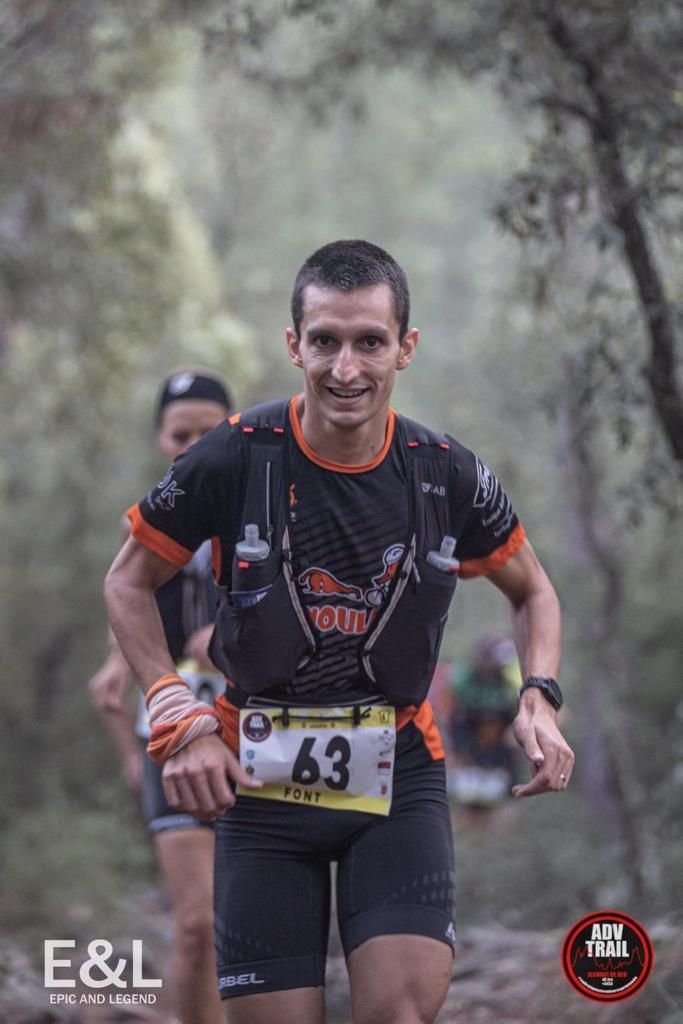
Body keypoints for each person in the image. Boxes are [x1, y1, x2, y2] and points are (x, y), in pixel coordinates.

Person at [104, 240, 574, 1024]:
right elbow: (127, 579)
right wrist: (173, 713)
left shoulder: (443, 472)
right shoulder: (233, 456)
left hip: (397, 774)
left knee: (396, 1014)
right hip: (256, 779)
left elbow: (533, 591)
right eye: (323, 341)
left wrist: (539, 693)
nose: (345, 369)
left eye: (369, 342)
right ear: (294, 345)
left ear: (405, 347)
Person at [90, 370, 232, 1024]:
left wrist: (234, 640)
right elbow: (114, 672)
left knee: (253, 928)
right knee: (197, 926)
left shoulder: (273, 521)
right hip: (173, 743)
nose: (195, 444)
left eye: (209, 431)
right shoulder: (147, 531)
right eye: (182, 434)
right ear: (160, 439)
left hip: (263, 741)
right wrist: (128, 747)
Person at [445, 635, 522, 814]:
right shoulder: (462, 677)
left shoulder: (512, 676)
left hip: (501, 739)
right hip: (469, 736)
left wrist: (516, 730)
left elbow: (529, 707)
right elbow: (451, 713)